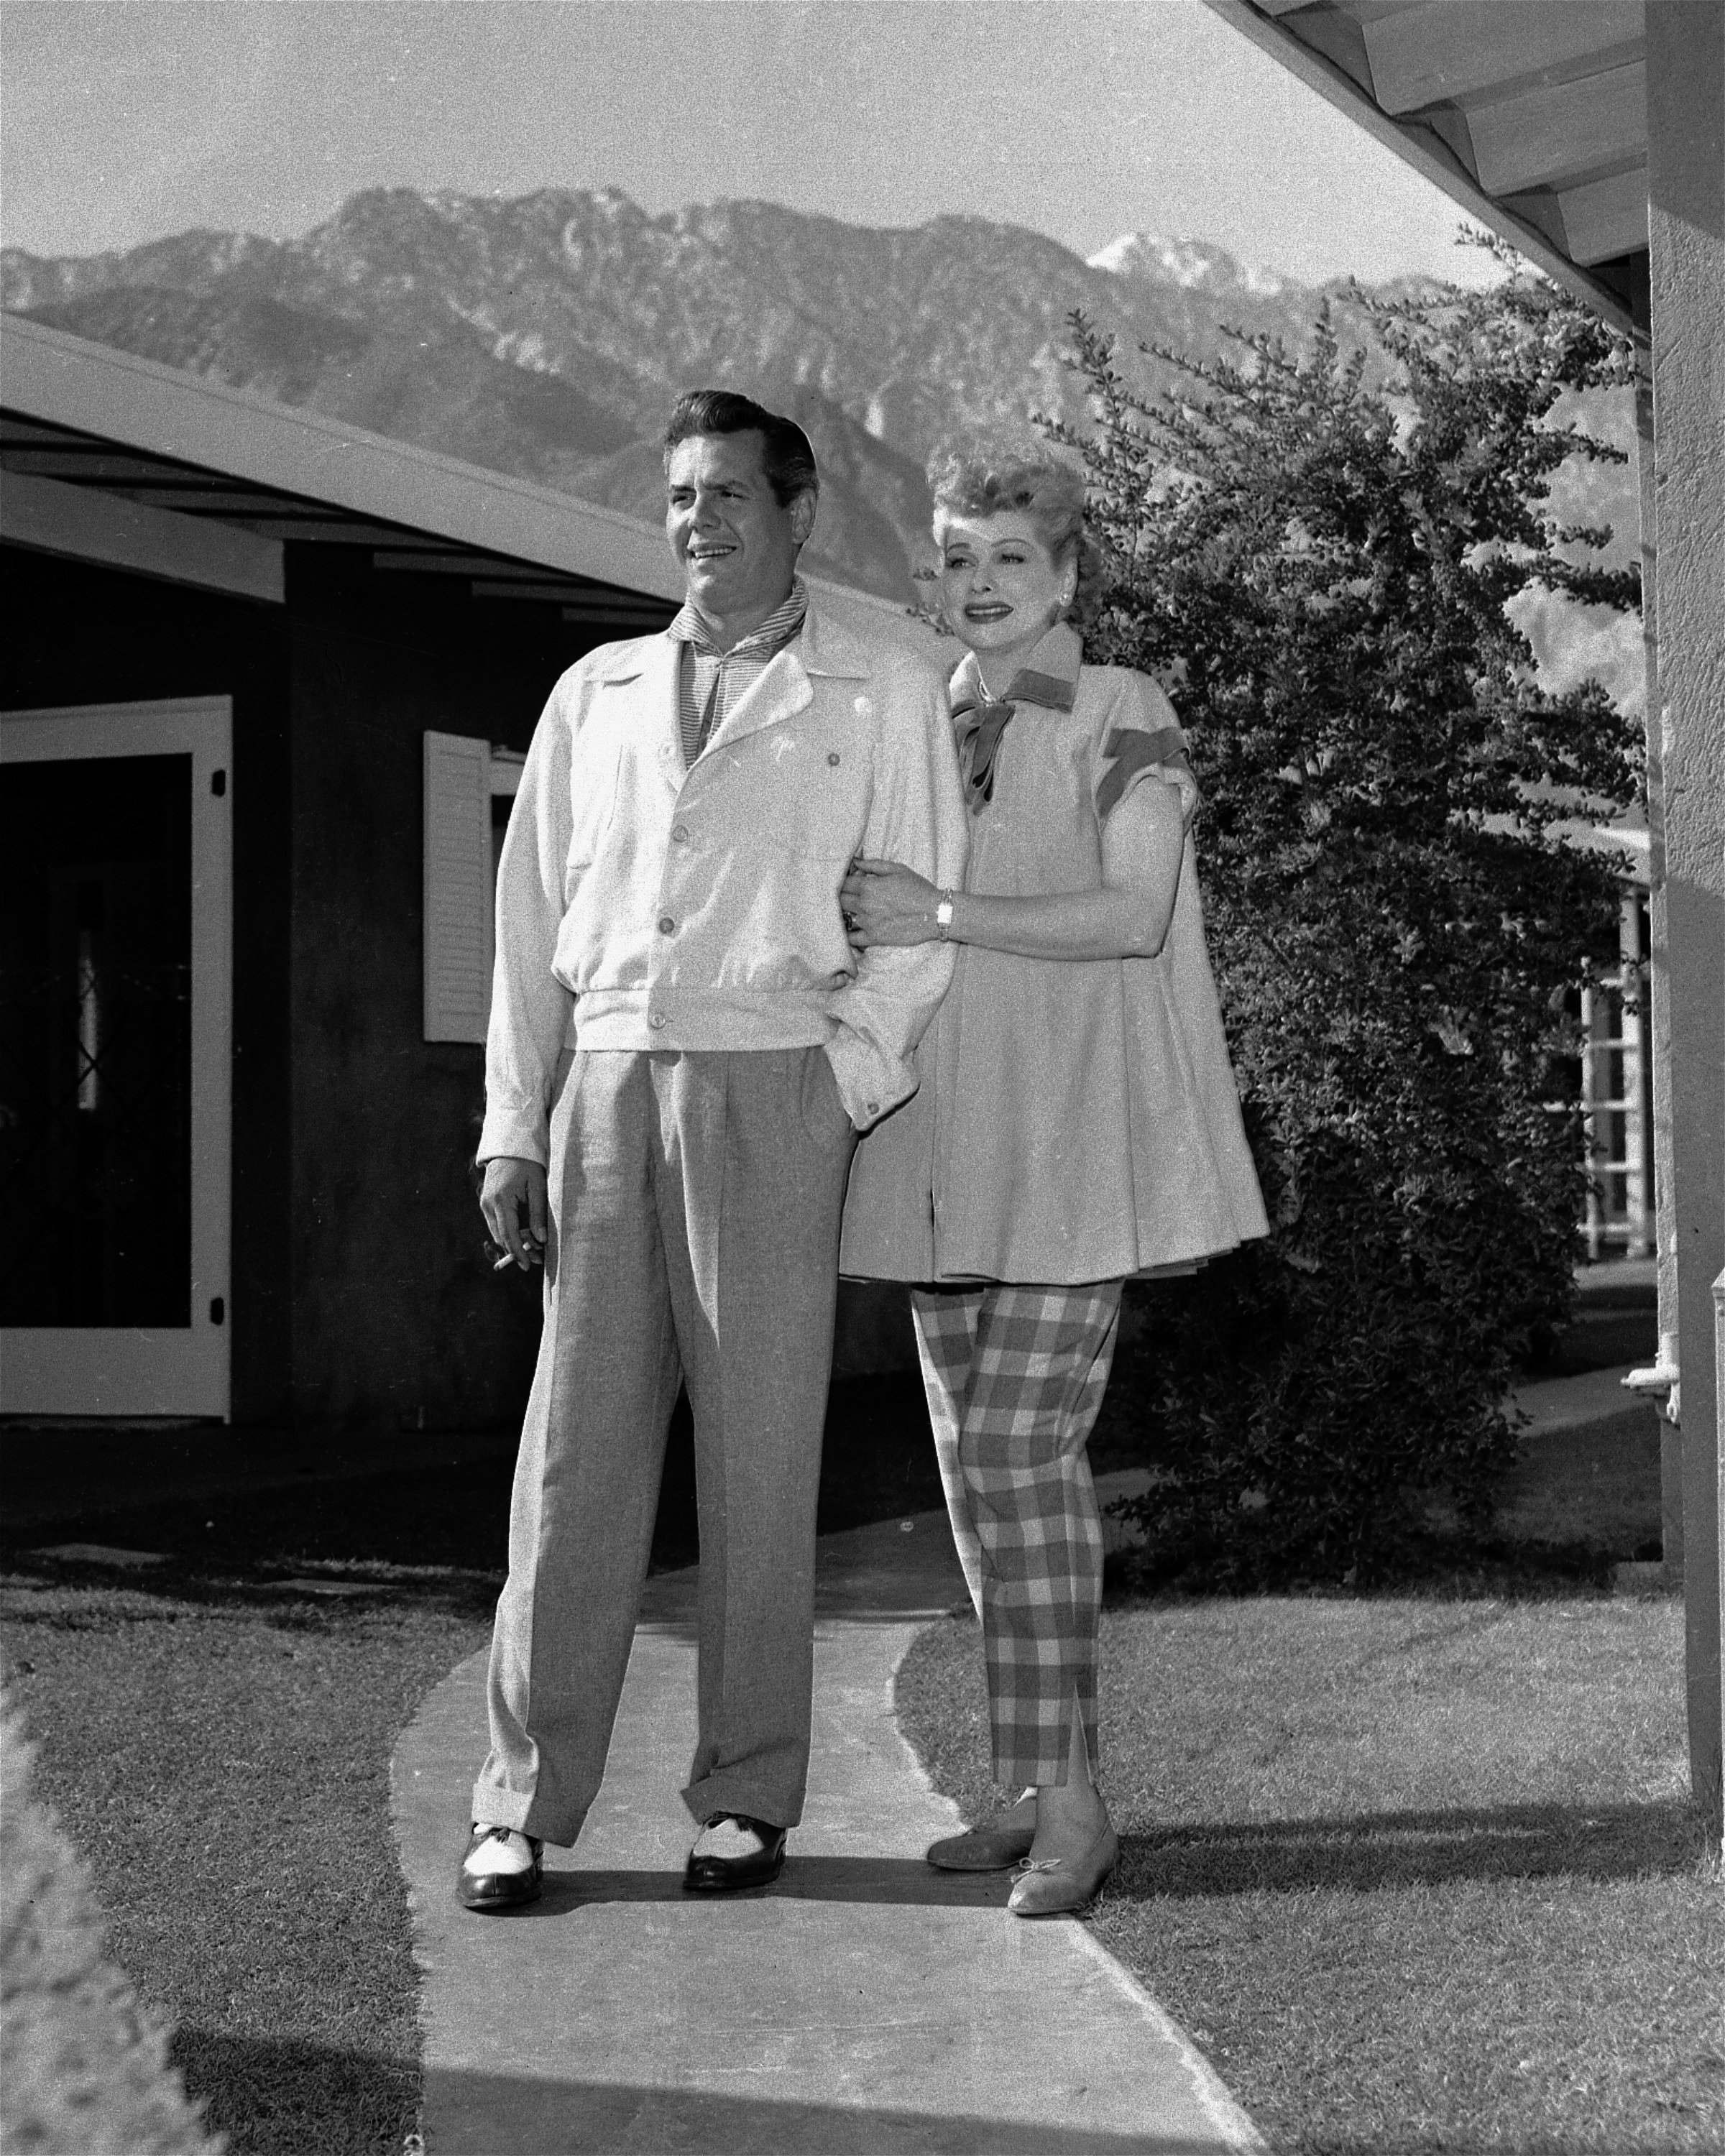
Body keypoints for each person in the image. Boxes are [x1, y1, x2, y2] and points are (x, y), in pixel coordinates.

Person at [460, 390, 968, 1911]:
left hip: (773, 1087)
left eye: (729, 496)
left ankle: (745, 1798)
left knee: (759, 1463)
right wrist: (513, 1127)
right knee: (573, 1465)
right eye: (680, 497)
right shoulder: (593, 695)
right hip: (609, 1086)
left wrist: (840, 1082)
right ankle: (520, 1805)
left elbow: (920, 920)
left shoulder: (882, 686)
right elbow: (526, 933)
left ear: (796, 511)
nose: (699, 522)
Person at [839, 449, 1267, 1917]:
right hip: (934, 1149)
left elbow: (1135, 913)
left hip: (1073, 1141)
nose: (981, 585)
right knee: (973, 1474)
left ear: (1070, 577)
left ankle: (1080, 1809)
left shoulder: (1122, 710)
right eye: (959, 560)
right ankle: (1031, 1781)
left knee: (1020, 1458)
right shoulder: (915, 720)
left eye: (1012, 559)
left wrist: (939, 907)